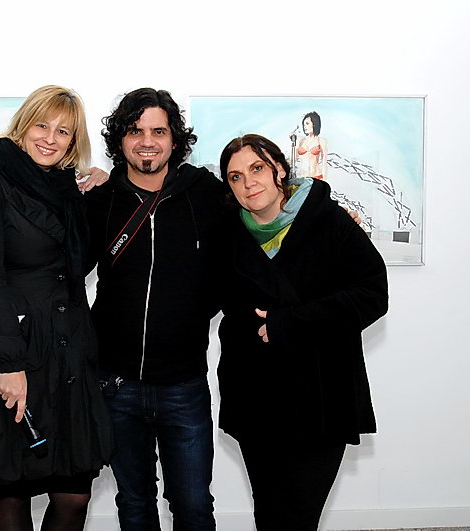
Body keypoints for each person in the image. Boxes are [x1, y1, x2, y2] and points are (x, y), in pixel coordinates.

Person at [0, 85, 114, 531]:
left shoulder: (69, 192)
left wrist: (99, 194)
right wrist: (10, 364)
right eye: (42, 125)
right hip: (11, 346)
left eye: (63, 131)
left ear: (73, 141)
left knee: (73, 492)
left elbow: (79, 265)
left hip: (67, 351)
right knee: (11, 486)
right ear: (22, 126)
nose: (50, 138)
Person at [216, 134, 388, 530]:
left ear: (279, 169)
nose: (248, 183)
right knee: (270, 513)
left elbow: (373, 295)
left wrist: (291, 322)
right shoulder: (226, 233)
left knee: (299, 516)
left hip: (321, 395)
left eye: (257, 168)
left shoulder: (329, 221)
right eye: (236, 176)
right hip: (255, 398)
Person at [85, 88, 226, 530]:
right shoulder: (100, 199)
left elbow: (254, 232)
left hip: (183, 384)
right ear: (120, 139)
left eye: (158, 131)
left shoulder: (207, 194)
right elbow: (61, 267)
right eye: (135, 130)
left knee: (194, 506)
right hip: (116, 384)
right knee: (134, 504)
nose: (147, 141)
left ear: (174, 139)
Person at [295, 111, 328, 180]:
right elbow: (293, 158)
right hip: (302, 177)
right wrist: (293, 140)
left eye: (307, 124)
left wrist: (324, 181)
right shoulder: (300, 140)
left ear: (314, 124)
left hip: (316, 176)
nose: (305, 127)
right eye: (304, 125)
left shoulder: (321, 141)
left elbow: (324, 163)